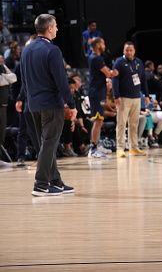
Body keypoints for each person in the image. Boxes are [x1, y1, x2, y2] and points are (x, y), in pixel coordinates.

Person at [20, 14, 77, 196]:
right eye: (56, 26)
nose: (58, 29)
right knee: (49, 144)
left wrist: (25, 100)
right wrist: (72, 104)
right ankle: (41, 184)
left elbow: (24, 80)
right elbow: (61, 81)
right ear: (50, 28)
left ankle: (55, 181)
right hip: (51, 104)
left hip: (33, 105)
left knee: (46, 144)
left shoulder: (26, 50)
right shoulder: (52, 50)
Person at [112, 41, 151, 158]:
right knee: (121, 123)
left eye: (131, 50)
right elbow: (115, 80)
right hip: (123, 98)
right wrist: (116, 96)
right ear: (123, 51)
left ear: (134, 51)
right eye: (126, 50)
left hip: (136, 97)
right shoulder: (119, 62)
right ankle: (120, 148)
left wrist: (147, 95)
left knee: (134, 124)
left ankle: (133, 147)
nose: (129, 52)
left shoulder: (138, 62)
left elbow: (143, 80)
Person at [87, 37, 118, 158]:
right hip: (96, 92)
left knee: (99, 121)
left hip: (98, 91)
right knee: (98, 120)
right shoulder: (96, 58)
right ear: (99, 44)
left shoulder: (94, 57)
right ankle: (93, 149)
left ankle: (97, 145)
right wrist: (116, 71)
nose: (104, 46)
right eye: (103, 43)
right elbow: (108, 73)